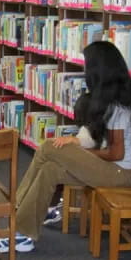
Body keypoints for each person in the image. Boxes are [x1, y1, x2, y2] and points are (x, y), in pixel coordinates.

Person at [0, 41, 131, 253]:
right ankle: (23, 234)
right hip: (118, 167)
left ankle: (16, 203)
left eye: (87, 67)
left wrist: (81, 153)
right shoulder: (118, 97)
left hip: (122, 173)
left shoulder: (118, 107)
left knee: (48, 147)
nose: (84, 72)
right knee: (50, 170)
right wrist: (78, 146)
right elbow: (99, 137)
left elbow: (115, 153)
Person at [44, 92, 107, 225]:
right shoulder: (103, 128)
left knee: (54, 169)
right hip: (101, 168)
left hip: (88, 172)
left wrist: (71, 141)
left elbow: (80, 144)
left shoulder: (86, 131)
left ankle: (50, 207)